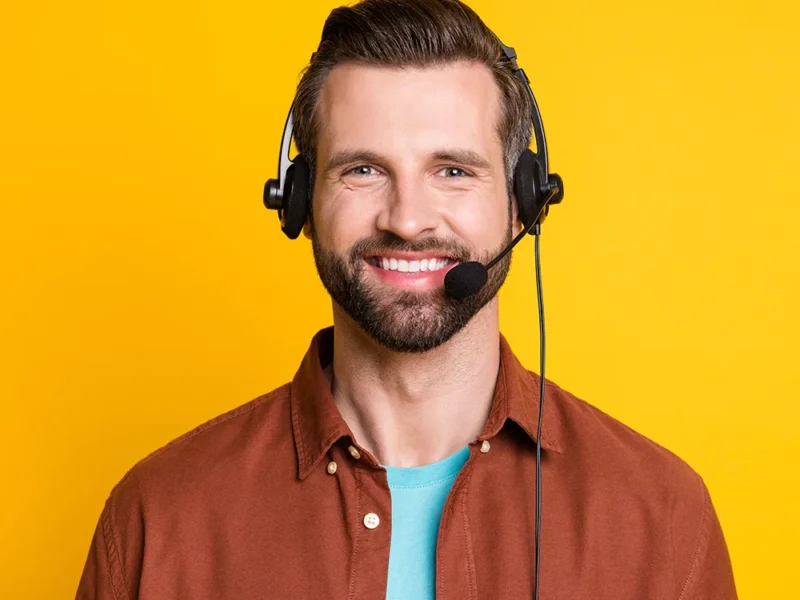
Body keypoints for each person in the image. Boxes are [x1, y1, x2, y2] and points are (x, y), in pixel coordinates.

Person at [76, 0, 738, 598]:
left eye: (452, 171)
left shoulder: (662, 516)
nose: (409, 219)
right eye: (363, 170)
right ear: (300, 200)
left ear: (524, 203)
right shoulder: (156, 516)